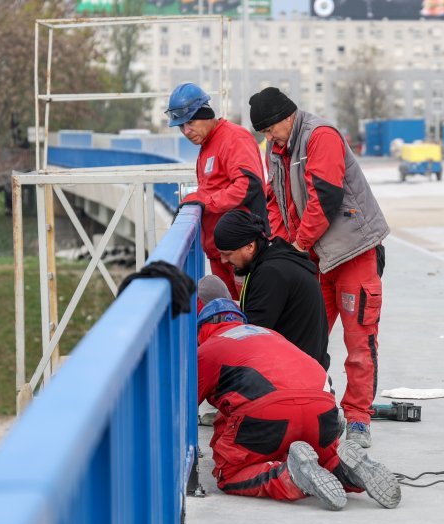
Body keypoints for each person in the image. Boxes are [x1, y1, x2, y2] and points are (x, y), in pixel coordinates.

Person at [248, 87, 389, 448]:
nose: (268, 138)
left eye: (269, 130)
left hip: (352, 253)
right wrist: (281, 247)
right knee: (303, 339)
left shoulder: (320, 136)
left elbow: (324, 198)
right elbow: (276, 201)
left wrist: (297, 246)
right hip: (314, 257)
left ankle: (358, 418)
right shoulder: (276, 151)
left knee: (359, 341)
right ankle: (312, 407)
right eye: (263, 134)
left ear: (286, 117)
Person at [196, 297, 401, 511]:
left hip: (270, 413)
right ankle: (343, 468)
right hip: (322, 411)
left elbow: (181, 410)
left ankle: (291, 476)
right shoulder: (270, 334)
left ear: (201, 330)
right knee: (322, 458)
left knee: (229, 473)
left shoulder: (207, 349)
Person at [167, 82, 267, 299]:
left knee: (249, 317)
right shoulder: (207, 144)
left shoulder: (234, 138)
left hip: (241, 253)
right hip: (220, 253)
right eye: (181, 126)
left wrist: (205, 201)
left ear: (206, 113)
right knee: (229, 318)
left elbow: (248, 185)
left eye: (190, 122)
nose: (186, 131)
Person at [212, 209, 330, 370]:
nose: (223, 260)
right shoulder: (273, 258)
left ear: (249, 246)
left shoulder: (271, 273)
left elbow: (253, 334)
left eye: (227, 254)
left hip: (296, 375)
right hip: (307, 364)